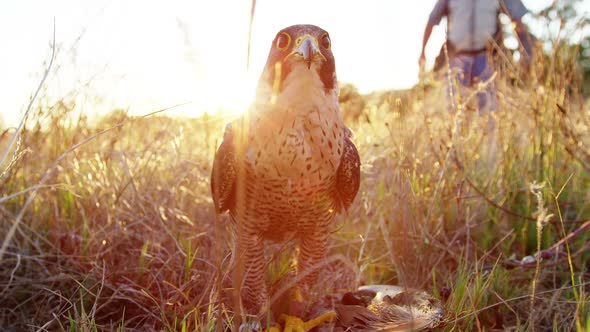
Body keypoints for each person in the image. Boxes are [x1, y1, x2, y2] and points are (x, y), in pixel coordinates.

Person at [419, 0, 534, 113]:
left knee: (489, 111)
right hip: (456, 60)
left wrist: (526, 52)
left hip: (487, 60)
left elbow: (517, 21)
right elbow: (432, 20)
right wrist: (422, 53)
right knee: (455, 110)